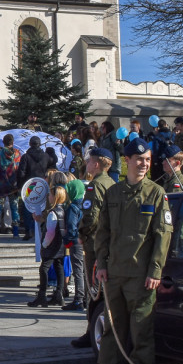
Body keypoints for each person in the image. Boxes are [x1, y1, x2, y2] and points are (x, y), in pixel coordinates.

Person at [82, 138, 171, 364]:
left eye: (147, 160)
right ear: (128, 161)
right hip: (115, 274)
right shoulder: (114, 193)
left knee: (141, 330)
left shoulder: (155, 193)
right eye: (139, 160)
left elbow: (163, 235)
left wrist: (155, 271)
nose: (143, 164)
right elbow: (103, 233)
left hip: (141, 276)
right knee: (112, 327)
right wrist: (102, 264)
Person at [70, 147, 115, 348]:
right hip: (108, 243)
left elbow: (90, 216)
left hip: (95, 242)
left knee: (94, 290)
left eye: (89, 161)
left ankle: (92, 330)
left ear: (96, 164)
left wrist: (82, 234)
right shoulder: (112, 183)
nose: (86, 165)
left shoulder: (95, 186)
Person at [29, 182, 68, 308]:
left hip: (51, 246)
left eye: (50, 195)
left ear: (55, 197)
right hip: (60, 246)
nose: (48, 197)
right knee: (59, 268)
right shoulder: (63, 210)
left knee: (44, 269)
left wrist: (44, 245)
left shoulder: (53, 213)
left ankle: (42, 295)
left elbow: (50, 232)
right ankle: (59, 294)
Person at [15, 136, 48, 240]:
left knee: (28, 208)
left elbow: (21, 172)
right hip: (42, 185)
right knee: (42, 207)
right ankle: (40, 230)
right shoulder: (46, 156)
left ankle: (29, 231)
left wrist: (20, 185)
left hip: (29, 185)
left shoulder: (25, 157)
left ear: (30, 144)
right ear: (40, 144)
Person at [62, 179, 87, 311]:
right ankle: (86, 298)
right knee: (84, 271)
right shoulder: (86, 205)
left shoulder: (73, 207)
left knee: (77, 270)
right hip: (85, 240)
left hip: (76, 241)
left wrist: (68, 240)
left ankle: (78, 299)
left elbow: (71, 226)